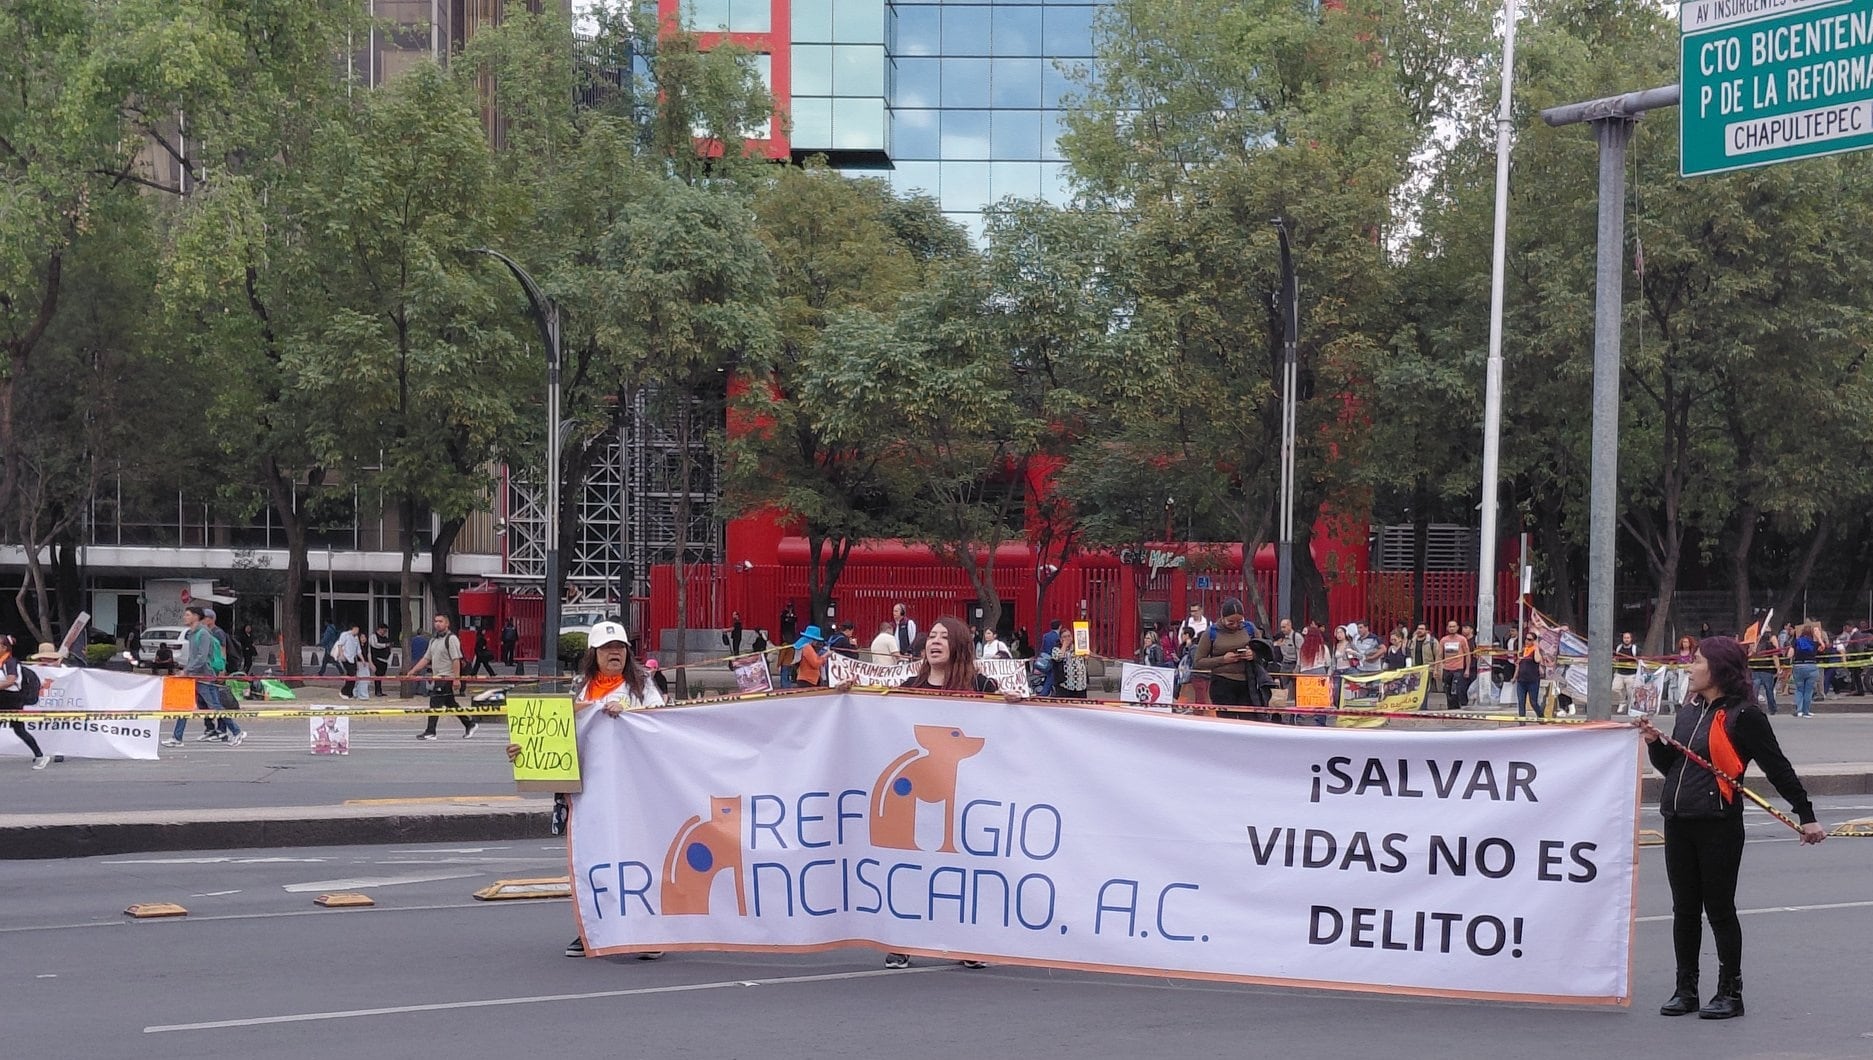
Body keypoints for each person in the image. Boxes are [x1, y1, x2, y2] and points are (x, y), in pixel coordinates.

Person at [1637, 637, 1825, 1020]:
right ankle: (1685, 989)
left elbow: (1778, 768)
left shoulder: (1744, 716)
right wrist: (1655, 744)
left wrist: (1806, 815)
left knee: (1719, 910)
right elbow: (1675, 767)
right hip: (1678, 821)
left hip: (1718, 825)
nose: (1690, 667)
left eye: (1697, 661)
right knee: (1684, 910)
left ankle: (1730, 992)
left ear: (1719, 669)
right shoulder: (1689, 710)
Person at [506, 620, 665, 962]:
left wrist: (632, 713)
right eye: (607, 649)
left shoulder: (642, 688)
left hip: (632, 789)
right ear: (593, 654)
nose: (614, 654)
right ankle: (592, 929)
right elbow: (558, 737)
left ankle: (649, 932)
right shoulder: (580, 692)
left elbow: (662, 722)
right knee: (592, 859)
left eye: (620, 648)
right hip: (588, 792)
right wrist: (523, 751)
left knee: (638, 857)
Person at [883, 615, 1012, 970]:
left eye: (943, 637)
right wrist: (848, 696)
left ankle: (967, 941)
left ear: (959, 645)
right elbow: (877, 722)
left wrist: (1014, 705)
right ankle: (902, 941)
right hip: (918, 797)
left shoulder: (982, 686)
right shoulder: (909, 687)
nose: (934, 642)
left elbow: (1005, 732)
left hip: (967, 799)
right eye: (932, 637)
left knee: (964, 871)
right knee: (912, 868)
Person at [1193, 598, 1271, 721]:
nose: (1235, 625)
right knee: (1228, 721)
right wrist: (1223, 659)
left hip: (1248, 683)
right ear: (1222, 618)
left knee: (1249, 721)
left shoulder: (1250, 629)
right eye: (1231, 622)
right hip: (1222, 684)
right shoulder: (1211, 633)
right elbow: (1198, 662)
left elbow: (1264, 652)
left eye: (1239, 622)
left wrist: (1253, 655)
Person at [406, 614, 476, 740]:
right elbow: (426, 658)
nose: (437, 623)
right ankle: (469, 723)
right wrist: (413, 671)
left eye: (441, 621)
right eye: (436, 621)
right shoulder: (433, 640)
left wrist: (456, 679)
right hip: (437, 677)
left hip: (446, 677)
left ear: (447, 623)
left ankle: (430, 731)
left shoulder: (451, 639)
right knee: (451, 703)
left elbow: (456, 660)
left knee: (435, 702)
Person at [0, 635, 51, 770]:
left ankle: (40, 756)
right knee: (19, 729)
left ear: (4, 648)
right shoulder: (1, 662)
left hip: (11, 699)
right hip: (4, 698)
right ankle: (40, 755)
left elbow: (11, 680)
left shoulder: (10, 662)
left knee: (19, 729)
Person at [1786, 621, 1824, 718]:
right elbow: (1823, 647)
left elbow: (1789, 655)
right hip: (1811, 666)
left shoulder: (1796, 641)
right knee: (1808, 691)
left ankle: (1799, 710)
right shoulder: (1814, 643)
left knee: (1799, 689)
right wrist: (1819, 637)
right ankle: (1806, 711)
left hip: (1798, 666)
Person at [1439, 620, 1470, 710]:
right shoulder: (1443, 640)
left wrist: (1467, 669)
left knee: (1455, 689)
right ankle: (1450, 708)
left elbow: (1467, 655)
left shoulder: (1462, 639)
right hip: (1447, 668)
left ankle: (1456, 707)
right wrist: (1437, 669)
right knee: (1447, 690)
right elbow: (1439, 655)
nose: (1452, 628)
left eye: (1454, 626)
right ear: (1447, 628)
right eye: (1450, 627)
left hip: (1458, 668)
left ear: (1457, 628)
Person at [1746, 638, 1781, 716]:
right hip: (1767, 671)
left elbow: (1749, 656)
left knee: (1755, 690)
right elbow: (1775, 656)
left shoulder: (1753, 645)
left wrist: (1752, 650)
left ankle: (1754, 707)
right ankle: (1772, 709)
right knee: (1769, 691)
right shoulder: (1770, 645)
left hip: (1755, 670)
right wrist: (1778, 668)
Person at [1513, 632, 1544, 719]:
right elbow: (1518, 665)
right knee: (1521, 702)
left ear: (1534, 641)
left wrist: (1536, 647)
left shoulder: (1535, 650)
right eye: (1526, 639)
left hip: (1532, 681)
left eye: (1529, 640)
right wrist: (1514, 677)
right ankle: (1522, 723)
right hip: (1521, 681)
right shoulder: (1523, 650)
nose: (1527, 641)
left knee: (1533, 702)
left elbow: (1537, 660)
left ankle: (1541, 717)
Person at [1613, 632, 1641, 713]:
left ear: (1631, 639)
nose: (1626, 639)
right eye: (1625, 638)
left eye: (1628, 638)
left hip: (1631, 675)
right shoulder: (1618, 648)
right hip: (1619, 673)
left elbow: (1639, 660)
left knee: (1630, 693)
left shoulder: (1635, 649)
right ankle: (1622, 702)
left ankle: (1631, 707)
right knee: (1615, 689)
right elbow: (1615, 658)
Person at [335, 623, 363, 699]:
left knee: (353, 676)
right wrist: (341, 654)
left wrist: (362, 660)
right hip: (345, 657)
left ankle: (349, 693)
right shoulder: (345, 635)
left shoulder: (356, 638)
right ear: (352, 629)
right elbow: (340, 645)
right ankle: (344, 691)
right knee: (351, 674)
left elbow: (358, 651)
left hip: (352, 658)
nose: (357, 631)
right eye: (356, 629)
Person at [369, 624, 393, 698]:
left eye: (386, 631)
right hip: (377, 659)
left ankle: (380, 690)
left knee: (381, 676)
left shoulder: (385, 638)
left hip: (384, 660)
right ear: (379, 629)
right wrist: (385, 645)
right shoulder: (373, 636)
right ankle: (377, 691)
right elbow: (374, 645)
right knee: (378, 675)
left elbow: (389, 646)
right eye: (384, 630)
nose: (384, 632)